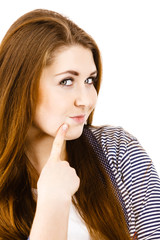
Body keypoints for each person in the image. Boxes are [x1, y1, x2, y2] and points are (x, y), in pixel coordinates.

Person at [0, 8, 160, 240]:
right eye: (66, 81)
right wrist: (53, 203)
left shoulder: (117, 151)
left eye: (89, 80)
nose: (86, 100)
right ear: (21, 85)